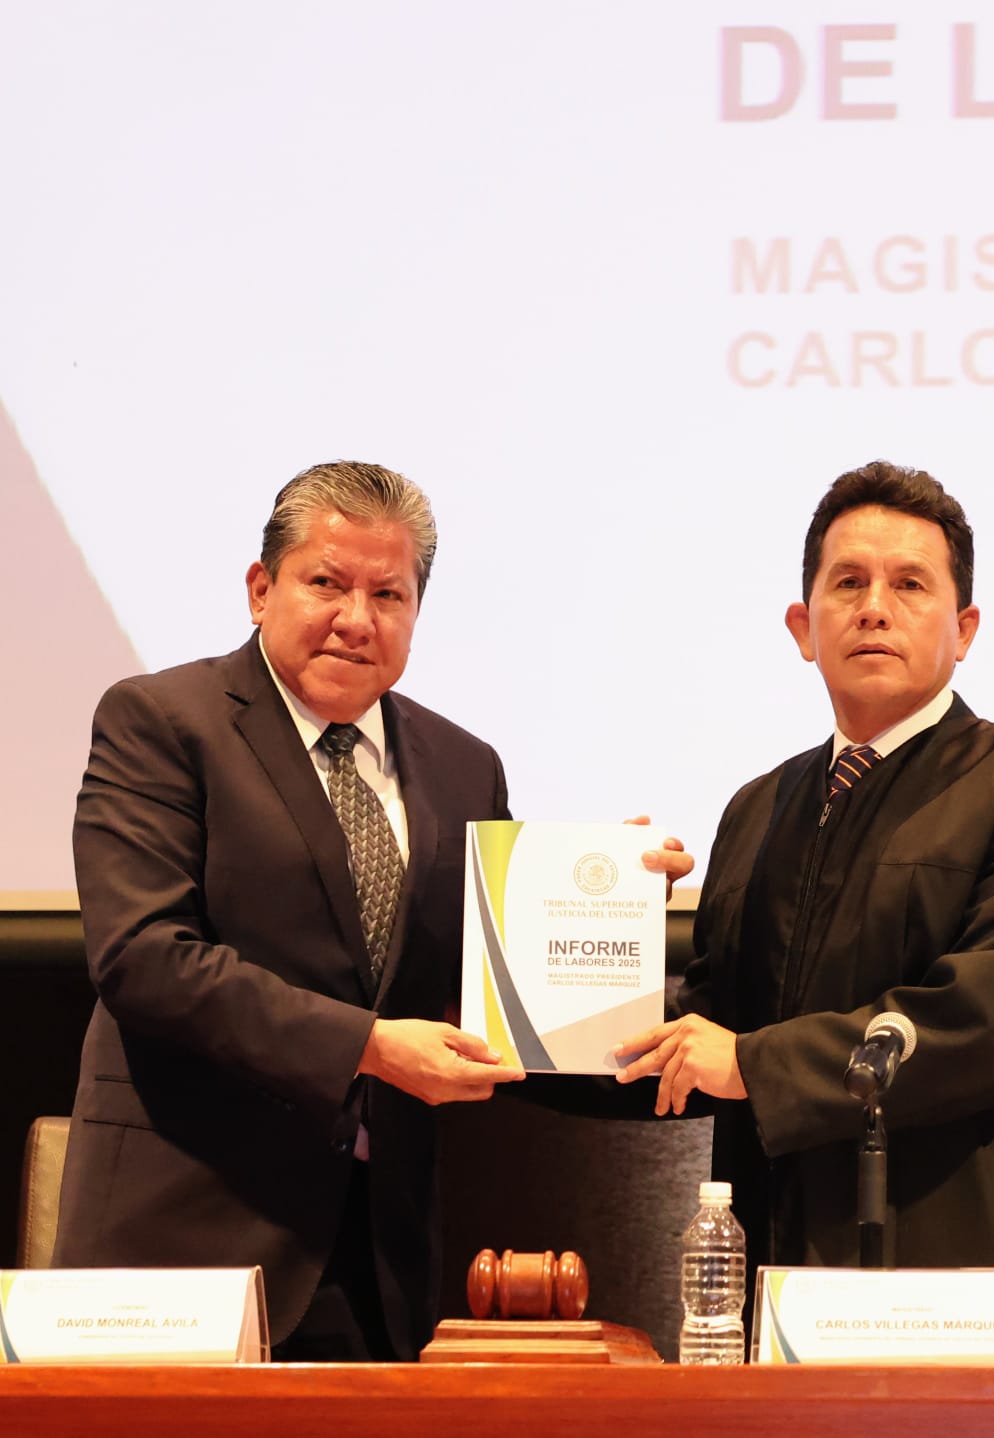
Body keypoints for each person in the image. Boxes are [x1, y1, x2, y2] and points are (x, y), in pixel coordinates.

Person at [53, 460, 691, 1361]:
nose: (357, 618)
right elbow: (144, 957)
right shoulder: (161, 721)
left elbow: (500, 989)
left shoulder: (463, 767)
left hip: (373, 1261)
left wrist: (606, 902)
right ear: (260, 589)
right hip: (181, 1242)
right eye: (326, 583)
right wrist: (369, 1045)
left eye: (388, 594)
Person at [616, 460, 994, 1361]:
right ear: (802, 628)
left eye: (909, 584)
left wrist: (752, 1063)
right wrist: (597, 945)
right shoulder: (756, 808)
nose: (874, 608)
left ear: (963, 630)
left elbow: (985, 1024)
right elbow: (706, 1030)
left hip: (974, 1285)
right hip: (787, 1284)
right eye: (847, 582)